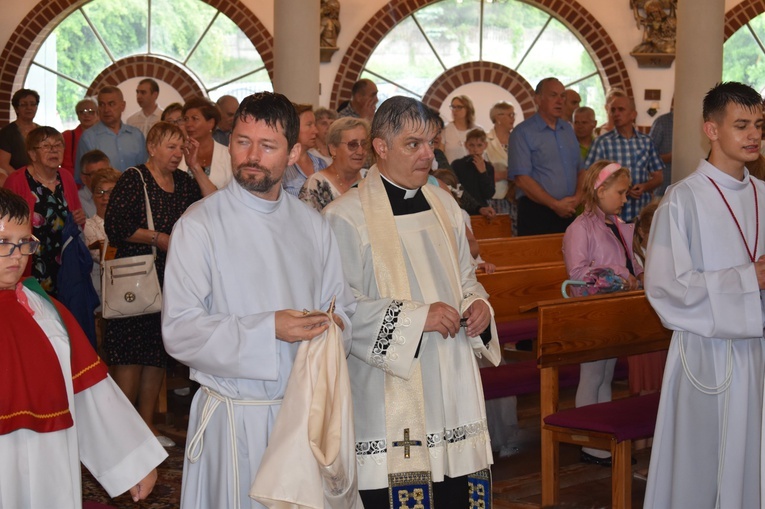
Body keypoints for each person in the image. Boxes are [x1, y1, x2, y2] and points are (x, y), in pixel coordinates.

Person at [161, 91, 353, 509]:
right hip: (234, 417)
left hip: (301, 414)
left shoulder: (312, 225)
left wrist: (332, 328)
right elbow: (179, 333)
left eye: (267, 146)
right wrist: (269, 329)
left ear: (294, 152)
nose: (251, 155)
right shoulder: (199, 225)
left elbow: (343, 308)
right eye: (242, 141)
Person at [323, 96, 500, 508]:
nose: (427, 154)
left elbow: (467, 278)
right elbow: (338, 309)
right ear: (380, 147)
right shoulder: (345, 216)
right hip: (389, 386)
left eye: (431, 143)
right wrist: (417, 317)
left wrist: (480, 307)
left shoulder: (445, 206)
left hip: (451, 376)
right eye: (413, 144)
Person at [0, 187, 167, 508]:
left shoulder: (45, 310)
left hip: (48, 454)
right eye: (4, 243)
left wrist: (132, 462)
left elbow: (89, 392)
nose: (18, 255)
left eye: (24, 243)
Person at [644, 82, 765, 509]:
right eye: (741, 125)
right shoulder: (681, 201)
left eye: (759, 125)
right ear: (710, 130)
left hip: (758, 351)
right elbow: (664, 290)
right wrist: (747, 278)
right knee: (701, 467)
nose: (754, 135)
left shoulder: (764, 195)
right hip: (705, 355)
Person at [104, 121, 215, 448]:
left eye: (181, 148)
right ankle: (120, 434)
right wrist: (159, 238)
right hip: (135, 277)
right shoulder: (133, 178)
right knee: (129, 356)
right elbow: (116, 226)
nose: (177, 154)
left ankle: (146, 426)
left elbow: (215, 204)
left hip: (171, 277)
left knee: (156, 354)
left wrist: (195, 167)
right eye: (171, 147)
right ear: (152, 147)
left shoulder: (183, 180)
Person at [562, 160, 641, 466]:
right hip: (591, 312)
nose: (624, 198)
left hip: (614, 311)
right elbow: (578, 274)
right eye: (620, 192)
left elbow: (632, 260)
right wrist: (622, 274)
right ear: (601, 189)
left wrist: (640, 272)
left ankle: (603, 438)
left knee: (606, 375)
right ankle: (589, 442)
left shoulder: (617, 224)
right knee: (592, 374)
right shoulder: (579, 228)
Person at [3, 126, 85, 297]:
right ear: (32, 154)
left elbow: (78, 217)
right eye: (46, 146)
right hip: (31, 260)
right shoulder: (17, 180)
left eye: (58, 145)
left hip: (64, 261)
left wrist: (80, 217)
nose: (53, 150)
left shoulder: (66, 177)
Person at [509, 77, 584, 235]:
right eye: (553, 95)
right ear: (538, 99)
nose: (559, 101)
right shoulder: (522, 132)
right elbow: (522, 179)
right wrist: (555, 204)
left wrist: (577, 198)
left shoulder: (568, 130)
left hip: (569, 211)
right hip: (537, 213)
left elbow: (581, 169)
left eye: (563, 96)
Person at [585, 93, 664, 222]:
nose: (616, 113)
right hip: (610, 217)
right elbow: (589, 177)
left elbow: (658, 177)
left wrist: (645, 186)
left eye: (621, 109)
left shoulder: (646, 142)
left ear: (633, 114)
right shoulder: (602, 142)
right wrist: (620, 189)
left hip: (640, 213)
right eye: (613, 110)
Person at [299, 116, 369, 212]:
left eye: (364, 144)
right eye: (352, 145)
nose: (360, 151)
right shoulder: (316, 185)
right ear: (333, 149)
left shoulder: (370, 178)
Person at [75, 86, 147, 179]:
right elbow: (83, 178)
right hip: (103, 192)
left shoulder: (136, 135)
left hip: (135, 192)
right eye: (101, 104)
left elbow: (145, 172)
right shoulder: (88, 138)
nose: (106, 109)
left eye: (111, 104)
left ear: (123, 106)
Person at [83, 166, 121, 310]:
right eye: (100, 192)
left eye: (111, 192)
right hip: (101, 298)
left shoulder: (129, 225)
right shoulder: (87, 226)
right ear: (92, 196)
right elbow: (104, 256)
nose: (105, 197)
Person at [179, 96, 233, 190]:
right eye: (186, 119)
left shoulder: (227, 156)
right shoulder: (179, 152)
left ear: (211, 123)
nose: (188, 124)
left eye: (194, 119)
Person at [282, 104, 327, 197]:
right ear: (293, 127)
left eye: (314, 124)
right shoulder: (282, 165)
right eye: (309, 125)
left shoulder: (321, 164)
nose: (316, 131)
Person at [0, 89, 40, 183]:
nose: (29, 108)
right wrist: (24, 180)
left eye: (32, 104)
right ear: (16, 108)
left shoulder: (41, 131)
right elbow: (3, 164)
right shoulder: (7, 132)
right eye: (24, 104)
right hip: (17, 179)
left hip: (41, 178)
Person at [451, 128, 496, 212]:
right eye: (472, 145)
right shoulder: (457, 165)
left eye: (479, 145)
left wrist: (483, 172)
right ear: (466, 145)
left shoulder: (489, 167)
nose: (475, 149)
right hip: (462, 209)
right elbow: (455, 189)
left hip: (482, 210)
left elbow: (489, 194)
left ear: (485, 145)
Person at [486, 101, 514, 216]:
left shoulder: (517, 139)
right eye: (509, 115)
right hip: (495, 196)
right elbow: (482, 172)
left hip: (515, 195)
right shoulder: (485, 140)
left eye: (513, 115)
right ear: (498, 118)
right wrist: (505, 174)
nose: (512, 118)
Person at [61, 98, 99, 176]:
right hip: (75, 183)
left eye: (91, 112)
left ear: (97, 114)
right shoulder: (67, 136)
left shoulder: (105, 136)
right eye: (82, 112)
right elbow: (66, 166)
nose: (86, 115)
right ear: (78, 115)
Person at [443, 95, 480, 164]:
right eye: (453, 107)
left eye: (459, 107)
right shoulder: (445, 129)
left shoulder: (477, 130)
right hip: (451, 171)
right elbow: (440, 154)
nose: (455, 110)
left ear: (468, 109)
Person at [649, 98, 674, 195]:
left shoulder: (693, 124)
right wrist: (669, 157)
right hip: (663, 187)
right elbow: (649, 156)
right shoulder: (662, 122)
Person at [78, 149, 111, 218]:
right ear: (84, 178)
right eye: (94, 174)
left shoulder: (119, 196)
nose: (100, 178)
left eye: (104, 172)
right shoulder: (77, 201)